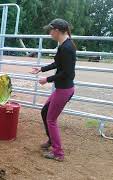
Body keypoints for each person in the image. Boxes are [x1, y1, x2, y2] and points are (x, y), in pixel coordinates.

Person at [31, 18, 76, 162]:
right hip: (61, 89)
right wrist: (41, 69)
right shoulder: (63, 45)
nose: (50, 33)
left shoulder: (67, 48)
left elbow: (67, 73)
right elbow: (57, 63)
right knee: (45, 112)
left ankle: (58, 153)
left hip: (64, 90)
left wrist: (47, 79)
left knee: (51, 119)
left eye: (51, 30)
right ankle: (51, 140)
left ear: (57, 31)